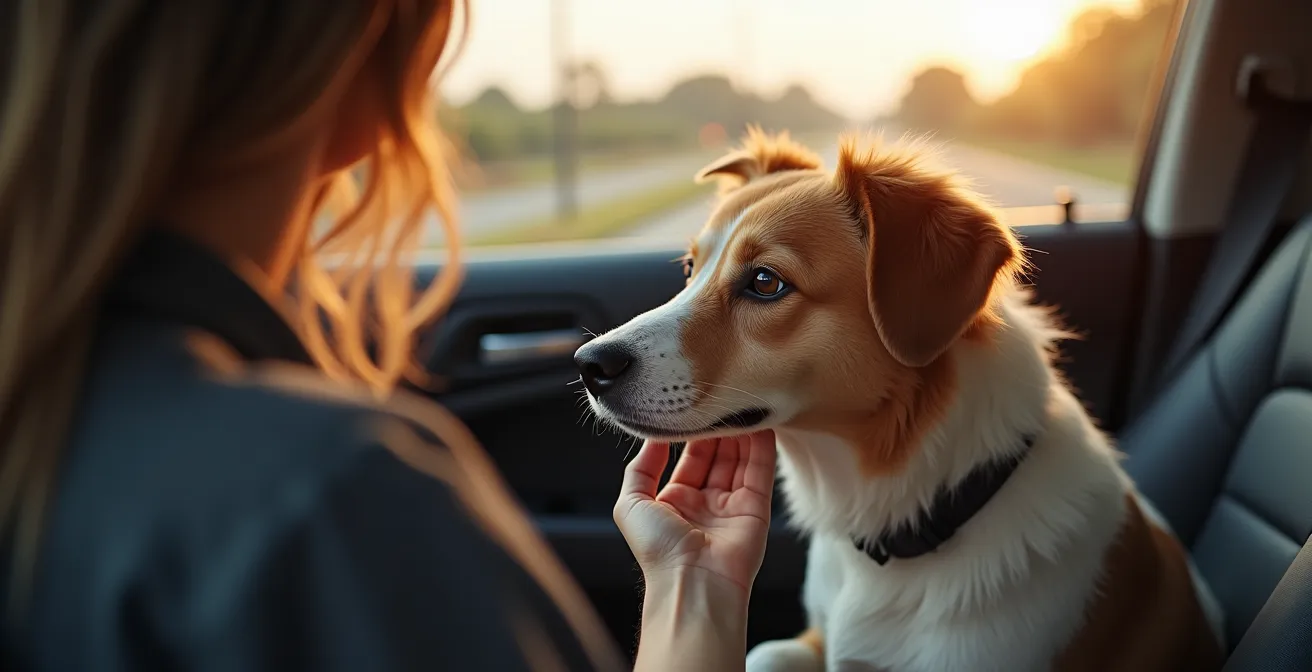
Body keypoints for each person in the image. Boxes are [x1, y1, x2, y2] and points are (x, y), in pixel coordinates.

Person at [0, 1, 778, 670]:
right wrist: (697, 608)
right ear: (364, 37)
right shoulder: (329, 500)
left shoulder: (56, 425)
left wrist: (688, 584)